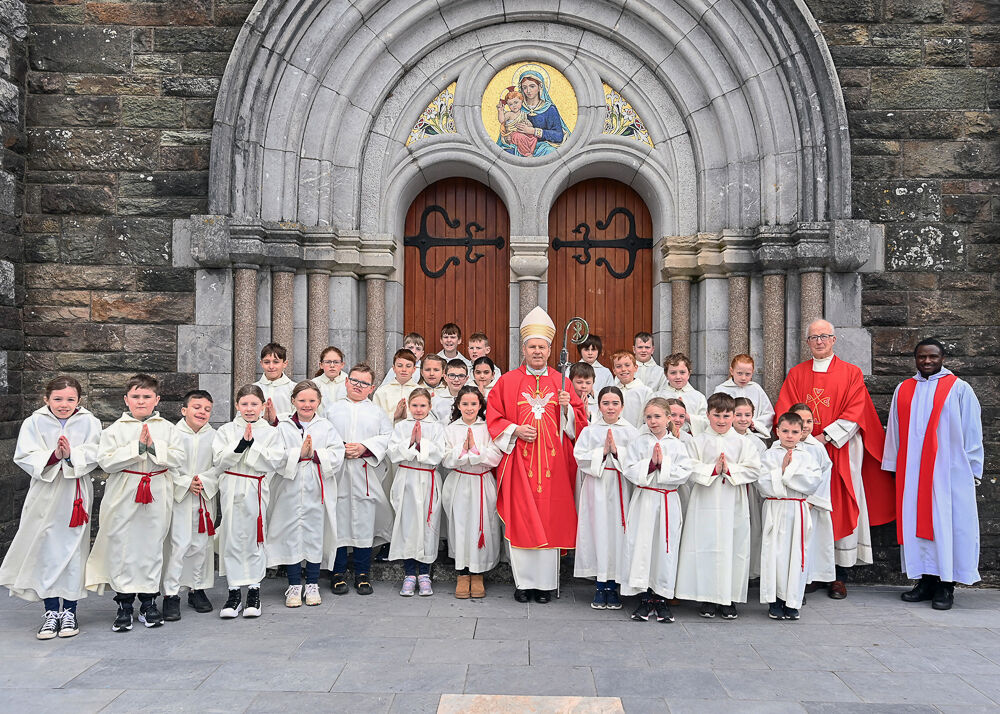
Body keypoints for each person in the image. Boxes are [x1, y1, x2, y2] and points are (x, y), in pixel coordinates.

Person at [774, 319, 895, 599]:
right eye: (814, 337)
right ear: (807, 343)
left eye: (824, 336)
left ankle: (838, 575)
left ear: (834, 340)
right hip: (803, 451)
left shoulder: (851, 373)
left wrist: (824, 437)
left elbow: (857, 411)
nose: (819, 341)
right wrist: (803, 438)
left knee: (837, 508)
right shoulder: (796, 373)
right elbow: (785, 407)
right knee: (809, 511)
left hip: (840, 449)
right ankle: (811, 571)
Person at [486, 306, 587, 603]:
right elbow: (493, 417)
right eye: (532, 347)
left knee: (550, 518)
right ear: (524, 348)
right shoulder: (506, 381)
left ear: (550, 348)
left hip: (555, 465)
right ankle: (524, 583)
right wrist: (515, 430)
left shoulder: (563, 381)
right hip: (519, 461)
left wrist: (569, 408)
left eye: (542, 347)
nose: (537, 352)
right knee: (522, 519)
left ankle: (544, 585)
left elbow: (578, 426)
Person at [882, 338, 984, 610]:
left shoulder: (959, 390)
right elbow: (894, 430)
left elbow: (972, 432)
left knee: (946, 526)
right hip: (913, 473)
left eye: (932, 357)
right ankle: (925, 582)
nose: (927, 361)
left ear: (942, 358)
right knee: (917, 526)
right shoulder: (904, 389)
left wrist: (973, 470)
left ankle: (946, 586)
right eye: (922, 357)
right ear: (915, 359)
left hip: (948, 473)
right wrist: (893, 465)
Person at [0, 376, 101, 640]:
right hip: (45, 492)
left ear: (79, 400)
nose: (64, 404)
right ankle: (50, 611)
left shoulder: (90, 422)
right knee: (45, 549)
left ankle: (70, 610)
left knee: (72, 551)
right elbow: (24, 454)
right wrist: (54, 455)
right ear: (46, 399)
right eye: (57, 399)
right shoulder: (34, 422)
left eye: (70, 399)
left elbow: (95, 451)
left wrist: (71, 455)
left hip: (75, 494)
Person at [86, 374, 183, 632]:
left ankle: (149, 602)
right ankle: (124, 604)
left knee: (151, 545)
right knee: (123, 546)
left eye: (147, 397)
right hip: (125, 491)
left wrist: (154, 448)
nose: (141, 401)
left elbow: (178, 457)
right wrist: (137, 448)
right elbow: (105, 462)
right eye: (136, 396)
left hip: (157, 489)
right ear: (126, 399)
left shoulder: (168, 428)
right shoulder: (114, 430)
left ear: (157, 399)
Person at [675, 392, 761, 619]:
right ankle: (706, 598)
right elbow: (688, 467)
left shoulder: (743, 442)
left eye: (726, 415)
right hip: (705, 500)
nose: (721, 421)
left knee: (734, 548)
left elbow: (754, 469)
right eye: (717, 415)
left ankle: (729, 598)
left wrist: (730, 470)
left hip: (733, 501)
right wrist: (712, 470)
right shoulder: (698, 441)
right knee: (705, 546)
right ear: (707, 415)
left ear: (733, 415)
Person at [270, 381, 346, 608]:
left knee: (314, 533)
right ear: (293, 401)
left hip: (316, 486)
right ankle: (294, 584)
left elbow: (337, 453)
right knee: (291, 534)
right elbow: (274, 455)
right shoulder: (283, 427)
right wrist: (297, 453)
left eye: (312, 400)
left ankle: (312, 583)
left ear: (319, 402)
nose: (306, 404)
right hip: (289, 488)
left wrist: (314, 454)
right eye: (301, 400)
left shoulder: (326, 426)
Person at [213, 384, 284, 619]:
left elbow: (274, 460)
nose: (249, 408)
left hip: (255, 486)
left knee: (255, 537)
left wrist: (253, 445)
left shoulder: (271, 432)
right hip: (232, 486)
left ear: (263, 406)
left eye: (254, 404)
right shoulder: (225, 430)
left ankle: (254, 590)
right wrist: (241, 445)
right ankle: (233, 593)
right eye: (244, 404)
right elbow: (219, 461)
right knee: (231, 537)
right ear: (236, 406)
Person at [620, 398, 693, 623]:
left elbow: (684, 472)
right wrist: (650, 464)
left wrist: (664, 465)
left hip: (667, 500)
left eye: (658, 416)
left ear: (669, 418)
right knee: (642, 546)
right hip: (645, 498)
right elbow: (629, 469)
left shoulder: (678, 445)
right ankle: (644, 596)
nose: (653, 421)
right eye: (649, 417)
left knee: (664, 548)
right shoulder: (639, 442)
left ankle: (661, 598)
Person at [327, 364, 394, 596]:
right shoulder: (332, 409)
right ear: (346, 382)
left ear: (372, 388)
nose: (358, 386)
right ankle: (337, 573)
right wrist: (340, 449)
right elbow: (322, 435)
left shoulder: (376, 412)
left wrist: (365, 447)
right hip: (338, 472)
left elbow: (387, 438)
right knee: (338, 520)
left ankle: (362, 573)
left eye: (364, 383)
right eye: (354, 380)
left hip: (365, 473)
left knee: (364, 522)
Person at [574, 386, 640, 610]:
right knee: (598, 533)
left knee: (617, 535)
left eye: (614, 403)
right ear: (598, 405)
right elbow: (579, 457)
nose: (610, 408)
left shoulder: (632, 431)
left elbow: (637, 460)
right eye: (605, 403)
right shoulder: (590, 431)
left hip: (621, 487)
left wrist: (618, 451)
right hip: (597, 487)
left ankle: (614, 585)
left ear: (622, 406)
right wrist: (602, 453)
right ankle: (600, 584)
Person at [757, 412, 822, 620]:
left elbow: (812, 482)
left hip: (797, 509)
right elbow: (762, 483)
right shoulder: (769, 455)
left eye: (795, 432)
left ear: (802, 433)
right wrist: (783, 472)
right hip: (776, 508)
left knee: (796, 554)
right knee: (774, 554)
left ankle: (792, 601)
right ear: (777, 431)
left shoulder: (807, 456)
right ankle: (774, 600)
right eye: (785, 431)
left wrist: (786, 472)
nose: (790, 436)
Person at [162, 389, 220, 621]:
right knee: (178, 544)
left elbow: (220, 464)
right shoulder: (172, 434)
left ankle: (198, 589)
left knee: (201, 544)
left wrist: (204, 481)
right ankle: (171, 594)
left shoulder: (214, 436)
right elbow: (166, 464)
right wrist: (186, 482)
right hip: (180, 497)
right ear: (184, 409)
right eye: (197, 407)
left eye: (207, 409)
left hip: (204, 497)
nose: (202, 412)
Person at [441, 386, 503, 599]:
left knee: (482, 525)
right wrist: (463, 450)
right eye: (465, 404)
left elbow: (496, 456)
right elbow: (446, 458)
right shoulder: (450, 429)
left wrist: (475, 450)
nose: (469, 408)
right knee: (460, 527)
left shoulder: (487, 428)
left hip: (481, 481)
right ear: (458, 405)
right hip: (460, 481)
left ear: (480, 406)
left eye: (473, 404)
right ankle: (462, 573)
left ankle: (478, 573)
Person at [388, 389, 446, 596]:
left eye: (423, 406)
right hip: (407, 479)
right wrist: (410, 441)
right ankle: (409, 574)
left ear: (430, 407)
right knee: (408, 526)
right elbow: (392, 452)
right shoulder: (401, 426)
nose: (419, 410)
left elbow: (440, 454)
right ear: (408, 406)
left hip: (428, 480)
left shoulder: (438, 428)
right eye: (414, 406)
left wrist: (422, 443)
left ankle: (424, 574)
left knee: (427, 527)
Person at [788, 403, 836, 597]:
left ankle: (804, 583)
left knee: (807, 545)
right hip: (789, 503)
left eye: (809, 421)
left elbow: (824, 475)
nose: (806, 425)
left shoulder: (816, 448)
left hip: (810, 506)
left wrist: (812, 500)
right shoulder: (786, 442)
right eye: (801, 421)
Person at [732, 397, 766, 582]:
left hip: (750, 492)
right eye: (738, 414)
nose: (743, 419)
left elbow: (760, 469)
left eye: (747, 415)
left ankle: (747, 573)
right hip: (728, 491)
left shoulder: (757, 443)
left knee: (751, 531)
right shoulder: (725, 437)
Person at [713, 354, 774, 439]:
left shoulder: (756, 389)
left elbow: (768, 414)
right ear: (731, 371)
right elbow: (715, 413)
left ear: (752, 372)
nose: (743, 378)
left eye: (748, 374)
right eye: (739, 373)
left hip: (752, 435)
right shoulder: (722, 389)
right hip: (727, 436)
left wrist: (755, 424)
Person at [656, 353, 708, 435]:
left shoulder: (699, 397)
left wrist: (687, 417)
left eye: (682, 372)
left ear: (689, 374)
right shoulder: (657, 397)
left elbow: (707, 422)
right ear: (666, 374)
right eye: (673, 373)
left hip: (690, 439)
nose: (678, 377)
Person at [373, 348, 419, 422]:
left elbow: (427, 419)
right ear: (394, 368)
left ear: (414, 369)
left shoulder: (420, 392)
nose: (404, 369)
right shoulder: (382, 391)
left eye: (408, 366)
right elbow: (374, 417)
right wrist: (394, 415)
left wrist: (407, 415)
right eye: (400, 366)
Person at [611, 350, 653, 428]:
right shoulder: (611, 392)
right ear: (614, 371)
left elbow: (648, 417)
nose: (623, 369)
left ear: (635, 367)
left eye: (627, 365)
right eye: (618, 366)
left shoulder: (645, 392)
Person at [255, 342, 294, 425]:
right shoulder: (253, 389)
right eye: (266, 362)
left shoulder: (294, 389)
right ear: (261, 363)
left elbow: (300, 416)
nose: (271, 366)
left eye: (276, 362)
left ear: (285, 363)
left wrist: (276, 419)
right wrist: (262, 419)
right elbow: (242, 416)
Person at [496, 86, 538, 156]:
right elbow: (502, 120)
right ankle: (526, 153)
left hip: (522, 132)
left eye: (516, 102)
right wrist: (500, 111)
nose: (514, 106)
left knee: (533, 138)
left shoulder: (523, 113)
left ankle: (530, 151)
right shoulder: (509, 114)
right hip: (512, 135)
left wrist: (528, 124)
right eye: (510, 104)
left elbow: (527, 122)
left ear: (521, 102)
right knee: (519, 137)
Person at [432, 359, 469, 424]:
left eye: (461, 376)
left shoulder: (471, 399)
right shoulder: (435, 401)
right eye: (452, 375)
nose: (456, 380)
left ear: (466, 379)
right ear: (445, 377)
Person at [314, 346, 347, 416]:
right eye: (328, 362)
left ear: (342, 365)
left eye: (336, 362)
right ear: (321, 365)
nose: (332, 365)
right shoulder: (314, 384)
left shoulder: (350, 383)